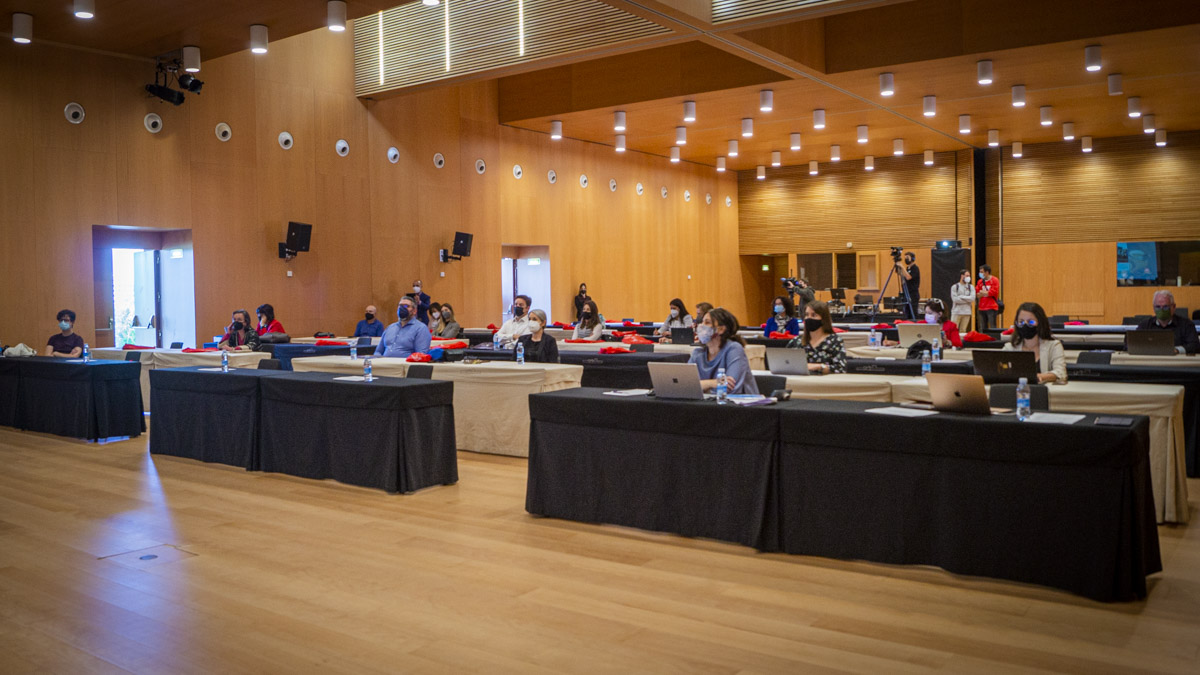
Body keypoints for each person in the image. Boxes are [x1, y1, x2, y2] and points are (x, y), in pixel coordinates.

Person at [689, 307, 759, 395]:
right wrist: (712, 383)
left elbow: (730, 388)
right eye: (702, 322)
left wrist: (701, 387)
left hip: (738, 406)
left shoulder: (734, 349)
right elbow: (685, 385)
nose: (701, 326)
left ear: (721, 329)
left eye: (707, 322)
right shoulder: (697, 353)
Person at [1003, 302, 1067, 384]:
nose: (1025, 325)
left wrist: (1039, 377)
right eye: (1021, 322)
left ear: (1040, 323)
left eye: (1031, 322)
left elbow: (1061, 373)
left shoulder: (1054, 346)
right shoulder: (1009, 348)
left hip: (1043, 393)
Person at [787, 301, 846, 374]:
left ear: (823, 318)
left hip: (825, 383)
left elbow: (841, 369)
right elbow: (785, 363)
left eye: (814, 315)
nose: (809, 318)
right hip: (799, 382)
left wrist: (819, 367)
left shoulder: (835, 341)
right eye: (807, 315)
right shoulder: (797, 341)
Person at [1137, 290, 1199, 354]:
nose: (1161, 310)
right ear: (1153, 308)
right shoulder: (1145, 325)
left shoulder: (1187, 325)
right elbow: (1128, 343)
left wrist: (1176, 350)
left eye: (1165, 307)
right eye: (1158, 307)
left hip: (1177, 362)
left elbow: (1195, 346)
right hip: (1151, 362)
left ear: (1174, 307)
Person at [895, 251, 921, 320]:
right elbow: (903, 276)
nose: (906, 259)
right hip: (906, 294)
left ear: (912, 258)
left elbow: (908, 277)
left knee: (913, 313)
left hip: (913, 294)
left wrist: (902, 267)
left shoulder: (915, 268)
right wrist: (898, 268)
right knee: (907, 313)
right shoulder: (907, 269)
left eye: (907, 257)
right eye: (905, 257)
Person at [977, 265, 1000, 331]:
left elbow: (994, 292)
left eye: (982, 272)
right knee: (982, 327)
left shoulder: (994, 280)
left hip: (991, 307)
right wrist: (986, 293)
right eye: (980, 272)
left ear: (987, 272)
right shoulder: (980, 282)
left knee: (992, 326)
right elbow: (978, 293)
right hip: (982, 307)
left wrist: (984, 293)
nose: (980, 273)